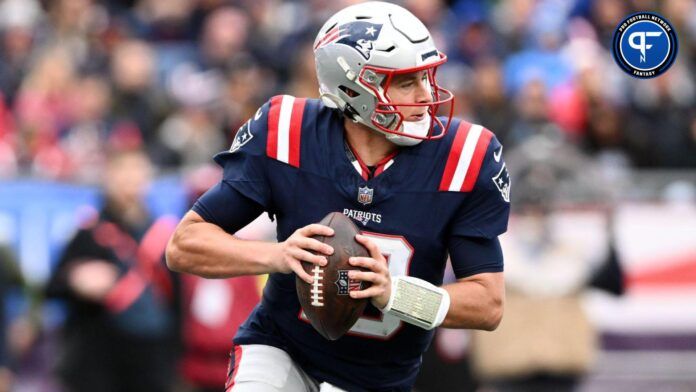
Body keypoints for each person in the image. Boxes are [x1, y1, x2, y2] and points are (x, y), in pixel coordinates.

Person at [167, 2, 510, 391]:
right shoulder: (288, 132)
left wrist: (396, 293)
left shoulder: (466, 156)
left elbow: (488, 304)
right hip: (282, 348)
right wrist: (277, 256)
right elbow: (184, 245)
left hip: (377, 377)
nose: (426, 94)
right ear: (353, 89)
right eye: (406, 81)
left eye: (428, 76)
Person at [46, 147, 180, 392]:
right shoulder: (90, 232)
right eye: (122, 171)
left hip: (152, 359)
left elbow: (179, 301)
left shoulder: (165, 234)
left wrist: (178, 359)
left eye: (136, 170)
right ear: (108, 177)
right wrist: (75, 280)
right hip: (99, 358)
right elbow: (53, 286)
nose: (130, 179)